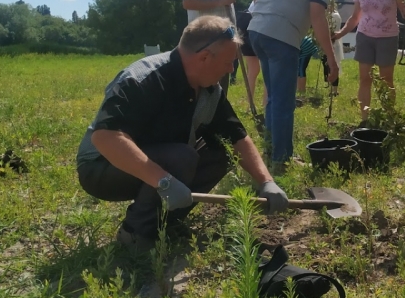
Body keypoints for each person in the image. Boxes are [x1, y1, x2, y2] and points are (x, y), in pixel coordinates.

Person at [76, 16, 289, 251]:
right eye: (229, 62)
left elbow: (236, 135)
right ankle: (135, 234)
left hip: (159, 162)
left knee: (223, 152)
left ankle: (165, 222)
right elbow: (105, 138)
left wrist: (266, 182)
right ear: (205, 57)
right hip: (101, 167)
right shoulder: (143, 80)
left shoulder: (208, 90)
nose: (231, 69)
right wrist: (163, 181)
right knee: (181, 156)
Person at [247, 0, 339, 166]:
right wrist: (331, 57)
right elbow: (317, 16)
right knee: (283, 101)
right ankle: (282, 159)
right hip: (281, 36)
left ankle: (271, 150)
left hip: (256, 31)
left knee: (273, 97)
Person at [333, 0, 405, 125]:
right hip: (365, 36)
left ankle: (389, 117)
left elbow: (403, 10)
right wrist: (340, 34)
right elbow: (355, 18)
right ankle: (365, 119)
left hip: (388, 36)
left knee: (386, 80)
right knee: (365, 78)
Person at [182, 0, 238, 93]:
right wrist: (220, 1)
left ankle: (219, 115)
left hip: (224, 41)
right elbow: (188, 2)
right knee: (204, 88)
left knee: (221, 89)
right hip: (205, 43)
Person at [323, 0, 344, 96]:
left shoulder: (334, 16)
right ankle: (332, 89)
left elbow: (331, 29)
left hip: (333, 43)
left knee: (332, 66)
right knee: (327, 65)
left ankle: (334, 90)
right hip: (330, 43)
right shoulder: (332, 15)